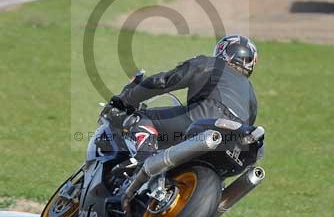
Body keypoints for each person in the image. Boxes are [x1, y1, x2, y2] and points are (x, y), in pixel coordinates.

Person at [110, 35, 258, 158]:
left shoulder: (211, 64)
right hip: (236, 141)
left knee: (140, 119)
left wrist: (126, 99)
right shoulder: (251, 94)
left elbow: (162, 82)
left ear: (223, 51)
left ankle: (142, 165)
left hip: (204, 118)